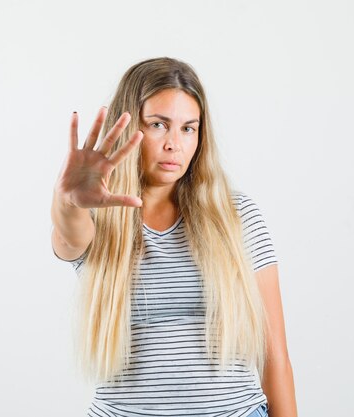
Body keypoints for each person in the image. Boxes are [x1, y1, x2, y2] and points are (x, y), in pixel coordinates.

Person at [51, 57, 297, 417]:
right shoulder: (98, 219)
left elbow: (275, 356)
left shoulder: (237, 216)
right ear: (130, 127)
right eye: (158, 125)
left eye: (188, 128)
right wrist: (68, 200)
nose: (174, 144)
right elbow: (68, 235)